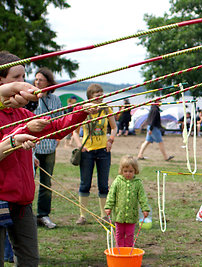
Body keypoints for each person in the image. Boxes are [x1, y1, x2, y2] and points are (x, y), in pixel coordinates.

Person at [0, 50, 97, 266]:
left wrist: (81, 111)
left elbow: (55, 128)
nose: (23, 84)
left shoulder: (24, 114)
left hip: (23, 203)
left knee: (29, 261)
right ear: (1, 81)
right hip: (1, 200)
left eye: (24, 77)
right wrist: (19, 135)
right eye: (16, 78)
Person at [73, 83, 118, 225]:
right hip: (88, 152)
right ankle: (82, 215)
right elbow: (74, 132)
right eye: (97, 94)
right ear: (90, 97)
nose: (100, 97)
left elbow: (114, 127)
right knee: (85, 184)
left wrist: (111, 140)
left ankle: (104, 215)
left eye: (101, 94)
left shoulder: (106, 109)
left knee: (103, 185)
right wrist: (81, 146)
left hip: (104, 151)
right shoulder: (83, 110)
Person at [32, 67, 63, 229]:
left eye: (41, 80)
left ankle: (43, 215)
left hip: (49, 147)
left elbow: (60, 120)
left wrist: (57, 138)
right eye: (36, 79)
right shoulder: (29, 98)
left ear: (49, 83)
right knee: (28, 182)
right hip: (31, 148)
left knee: (46, 183)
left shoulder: (55, 100)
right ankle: (26, 217)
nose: (37, 82)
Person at [104, 155, 150, 247]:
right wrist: (108, 206)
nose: (128, 173)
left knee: (130, 234)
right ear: (121, 171)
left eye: (130, 171)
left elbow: (142, 197)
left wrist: (145, 208)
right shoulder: (117, 181)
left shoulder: (138, 183)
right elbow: (111, 195)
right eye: (125, 171)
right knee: (119, 234)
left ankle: (128, 249)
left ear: (135, 171)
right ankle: (120, 250)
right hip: (119, 215)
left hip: (131, 215)